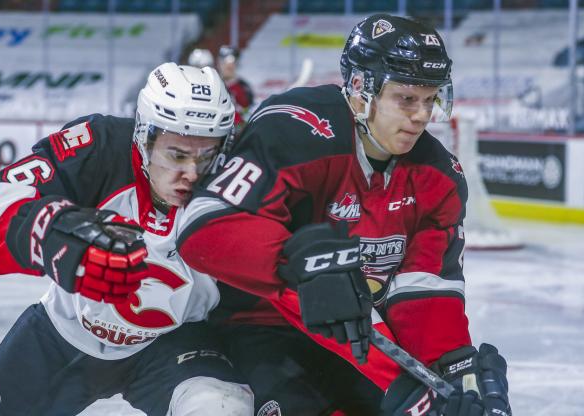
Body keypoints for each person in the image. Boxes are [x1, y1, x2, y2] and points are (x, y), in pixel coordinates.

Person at [177, 14, 512, 415]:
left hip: (354, 335)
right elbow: (204, 228)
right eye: (406, 98)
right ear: (359, 90)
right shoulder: (298, 130)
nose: (421, 115)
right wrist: (296, 265)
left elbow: (423, 293)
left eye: (429, 99)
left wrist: (454, 369)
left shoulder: (438, 176)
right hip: (257, 323)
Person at [0, 63, 253, 415]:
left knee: (222, 408)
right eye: (176, 154)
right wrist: (53, 233)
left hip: (173, 345)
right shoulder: (99, 145)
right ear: (144, 137)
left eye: (206, 156)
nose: (191, 173)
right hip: (62, 335)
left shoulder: (241, 175)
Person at [217, 45, 254, 129]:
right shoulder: (214, 85)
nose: (228, 67)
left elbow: (249, 112)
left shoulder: (244, 88)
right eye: (223, 63)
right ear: (219, 63)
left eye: (231, 64)